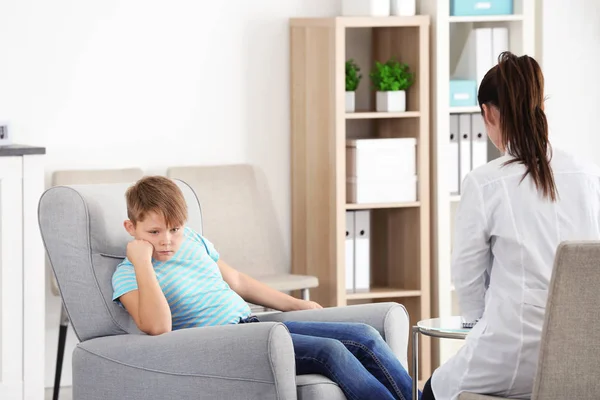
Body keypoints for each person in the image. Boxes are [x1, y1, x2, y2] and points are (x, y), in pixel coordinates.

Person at [112, 175, 417, 400]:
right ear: (132, 228)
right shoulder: (128, 274)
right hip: (221, 347)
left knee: (365, 335)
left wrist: (297, 304)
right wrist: (142, 262)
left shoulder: (191, 241)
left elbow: (239, 282)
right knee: (330, 351)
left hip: (250, 328)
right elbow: (159, 326)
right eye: (154, 232)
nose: (167, 240)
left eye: (175, 229)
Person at [421, 51, 600, 400]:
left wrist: (479, 325)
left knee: (432, 389)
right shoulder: (588, 175)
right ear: (541, 105)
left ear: (488, 113)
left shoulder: (486, 182)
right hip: (583, 363)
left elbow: (468, 278)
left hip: (509, 362)